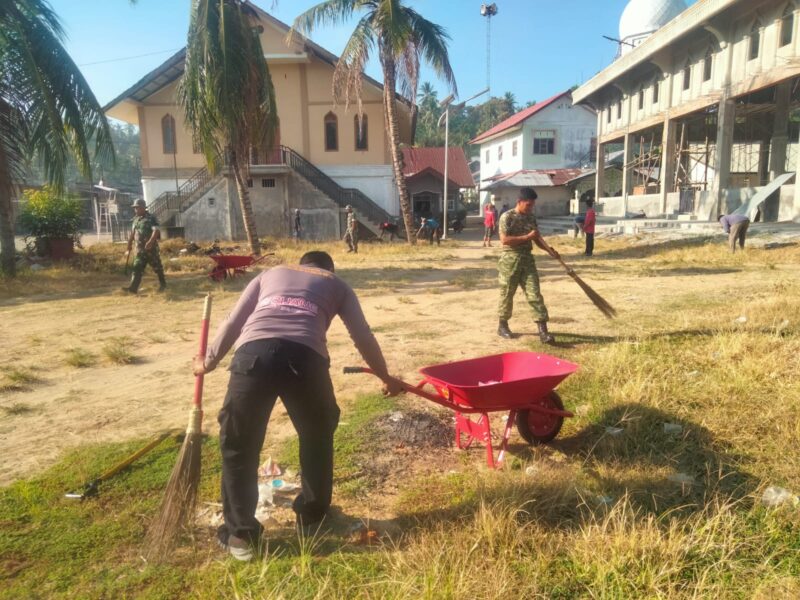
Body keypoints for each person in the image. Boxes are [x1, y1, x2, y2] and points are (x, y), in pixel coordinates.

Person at [193, 251, 401, 561]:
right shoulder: (337, 284)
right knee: (317, 437)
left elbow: (233, 321)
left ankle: (241, 536)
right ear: (329, 269)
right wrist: (386, 377)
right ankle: (312, 516)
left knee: (239, 445)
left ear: (302, 265)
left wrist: (207, 362)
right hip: (306, 361)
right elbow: (363, 337)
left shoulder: (270, 274)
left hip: (253, 357)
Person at [496, 187, 559, 344]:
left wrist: (549, 250)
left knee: (534, 294)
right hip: (510, 260)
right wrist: (527, 237)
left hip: (527, 260)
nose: (531, 208)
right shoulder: (507, 217)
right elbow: (505, 240)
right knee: (507, 293)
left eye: (532, 205)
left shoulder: (531, 218)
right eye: (528, 205)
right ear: (519, 202)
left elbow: (537, 239)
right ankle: (502, 326)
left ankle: (543, 331)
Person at [123, 198, 166, 293]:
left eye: (137, 208)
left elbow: (156, 230)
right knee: (137, 268)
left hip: (151, 249)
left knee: (157, 267)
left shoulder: (151, 218)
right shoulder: (135, 219)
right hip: (139, 250)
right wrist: (129, 244)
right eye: (135, 208)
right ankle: (133, 288)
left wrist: (151, 241)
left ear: (143, 208)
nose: (136, 210)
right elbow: (133, 233)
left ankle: (163, 285)